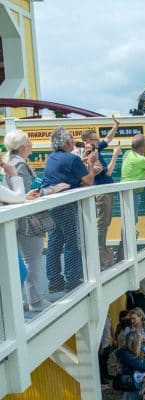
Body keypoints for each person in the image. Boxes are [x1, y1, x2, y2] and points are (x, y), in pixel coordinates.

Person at [3, 130, 67, 309]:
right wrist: (53, 190)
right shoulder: (20, 166)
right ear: (23, 146)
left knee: (22, 263)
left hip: (16, 220)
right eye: (29, 142)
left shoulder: (11, 163)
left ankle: (22, 300)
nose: (31, 145)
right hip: (28, 221)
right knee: (32, 261)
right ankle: (35, 300)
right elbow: (26, 195)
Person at [42, 126, 98, 293]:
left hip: (52, 204)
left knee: (54, 243)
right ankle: (72, 279)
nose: (74, 141)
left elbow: (66, 172)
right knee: (72, 242)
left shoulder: (52, 157)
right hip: (66, 204)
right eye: (72, 138)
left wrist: (84, 161)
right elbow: (88, 181)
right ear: (66, 142)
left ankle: (54, 281)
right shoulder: (71, 159)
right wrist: (91, 164)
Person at [81, 115, 121, 268]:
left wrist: (115, 125)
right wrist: (115, 155)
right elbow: (108, 172)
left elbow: (108, 138)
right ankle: (100, 248)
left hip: (107, 190)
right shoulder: (90, 155)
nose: (98, 141)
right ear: (88, 141)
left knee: (106, 221)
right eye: (94, 139)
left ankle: (101, 247)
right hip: (101, 192)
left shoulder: (96, 149)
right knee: (102, 222)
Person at [116, 331, 145, 400]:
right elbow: (143, 367)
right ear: (135, 343)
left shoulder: (125, 350)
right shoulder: (128, 355)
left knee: (127, 396)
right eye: (140, 339)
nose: (141, 339)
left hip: (128, 381)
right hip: (132, 382)